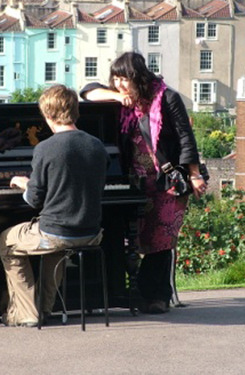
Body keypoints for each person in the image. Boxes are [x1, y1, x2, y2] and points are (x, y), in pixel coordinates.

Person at [80, 52, 205, 314]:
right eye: (115, 79)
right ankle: (133, 293)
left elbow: (185, 138)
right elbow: (87, 91)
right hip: (134, 181)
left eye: (124, 79)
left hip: (166, 181)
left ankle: (157, 296)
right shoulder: (121, 101)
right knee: (134, 239)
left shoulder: (168, 98)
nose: (119, 84)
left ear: (139, 77)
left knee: (161, 239)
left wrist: (194, 174)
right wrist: (116, 95)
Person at [0, 84, 110, 327]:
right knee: (54, 247)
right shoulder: (97, 146)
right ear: (74, 110)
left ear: (47, 115)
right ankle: (45, 309)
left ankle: (26, 313)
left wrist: (25, 184)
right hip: (91, 233)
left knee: (6, 241)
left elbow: (35, 200)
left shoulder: (46, 148)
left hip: (57, 233)